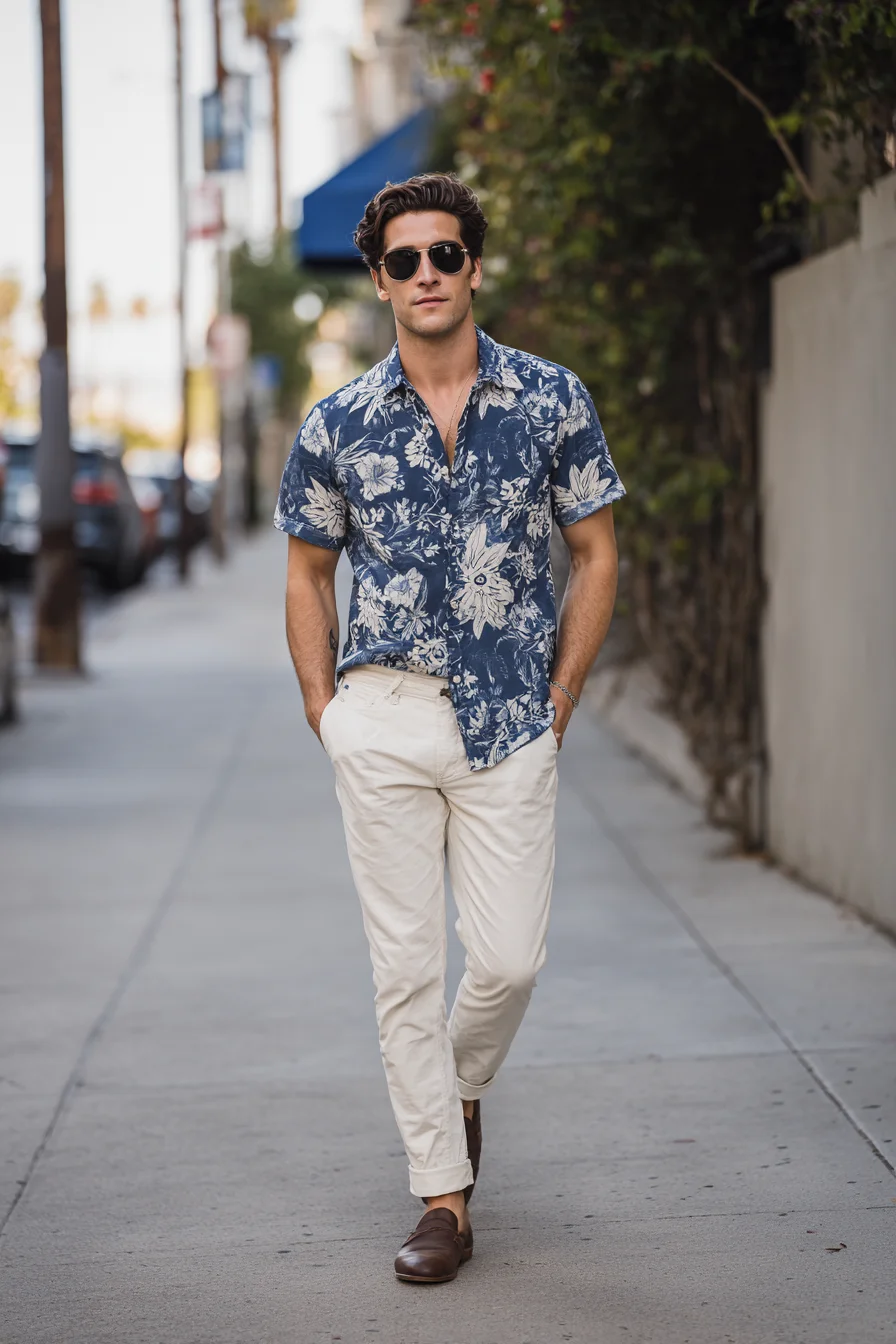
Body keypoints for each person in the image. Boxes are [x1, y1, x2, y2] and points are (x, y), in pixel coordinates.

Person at [275, 173, 624, 1284]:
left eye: (442, 255)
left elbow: (596, 554)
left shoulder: (551, 399)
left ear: (473, 267)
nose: (424, 275)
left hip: (510, 713)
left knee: (509, 964)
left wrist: (560, 695)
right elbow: (305, 573)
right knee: (404, 970)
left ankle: (457, 1086)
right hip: (378, 714)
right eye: (402, 260)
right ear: (378, 280)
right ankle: (442, 1199)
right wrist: (323, 709)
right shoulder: (336, 422)